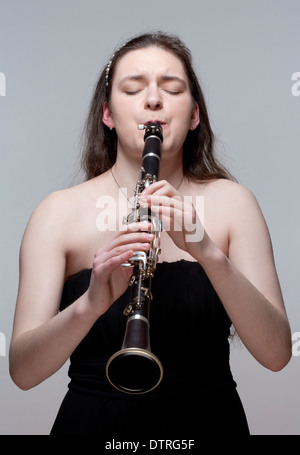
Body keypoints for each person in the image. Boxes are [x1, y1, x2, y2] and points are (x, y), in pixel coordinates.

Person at [9, 31, 291, 437]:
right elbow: (22, 371)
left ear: (194, 115)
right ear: (107, 114)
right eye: (134, 88)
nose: (154, 99)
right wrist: (90, 304)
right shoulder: (57, 213)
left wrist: (207, 251)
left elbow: (278, 353)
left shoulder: (234, 203)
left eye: (172, 88)